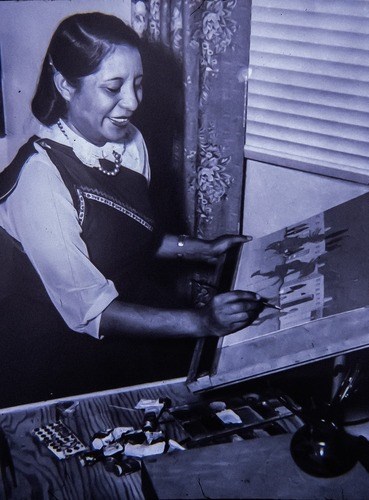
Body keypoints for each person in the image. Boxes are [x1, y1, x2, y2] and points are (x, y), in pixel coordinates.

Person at [0, 12, 263, 406]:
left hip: (124, 319)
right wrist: (201, 322)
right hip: (55, 354)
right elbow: (90, 312)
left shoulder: (128, 142)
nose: (133, 102)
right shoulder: (39, 180)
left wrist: (201, 249)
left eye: (138, 84)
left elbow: (129, 237)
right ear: (65, 86)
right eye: (113, 87)